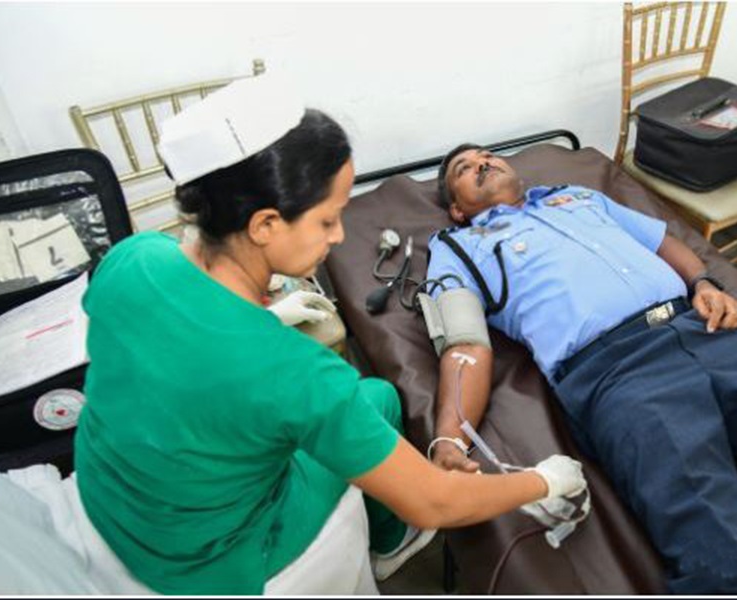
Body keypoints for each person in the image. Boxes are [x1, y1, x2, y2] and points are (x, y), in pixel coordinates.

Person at [73, 74, 588, 596]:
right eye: (328, 220)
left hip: (108, 496)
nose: (340, 235)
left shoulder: (130, 259)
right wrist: (544, 480)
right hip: (207, 562)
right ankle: (392, 545)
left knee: (377, 396)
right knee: (376, 400)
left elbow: (167, 347)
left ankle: (385, 541)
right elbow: (434, 499)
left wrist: (267, 317)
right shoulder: (298, 375)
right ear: (266, 224)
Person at [425, 143, 737, 594]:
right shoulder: (459, 248)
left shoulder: (577, 197)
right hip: (616, 370)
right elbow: (465, 344)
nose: (483, 163)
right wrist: (449, 439)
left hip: (703, 329)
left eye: (489, 156)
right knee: (702, 519)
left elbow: (660, 241)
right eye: (464, 167)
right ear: (457, 209)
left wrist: (703, 283)